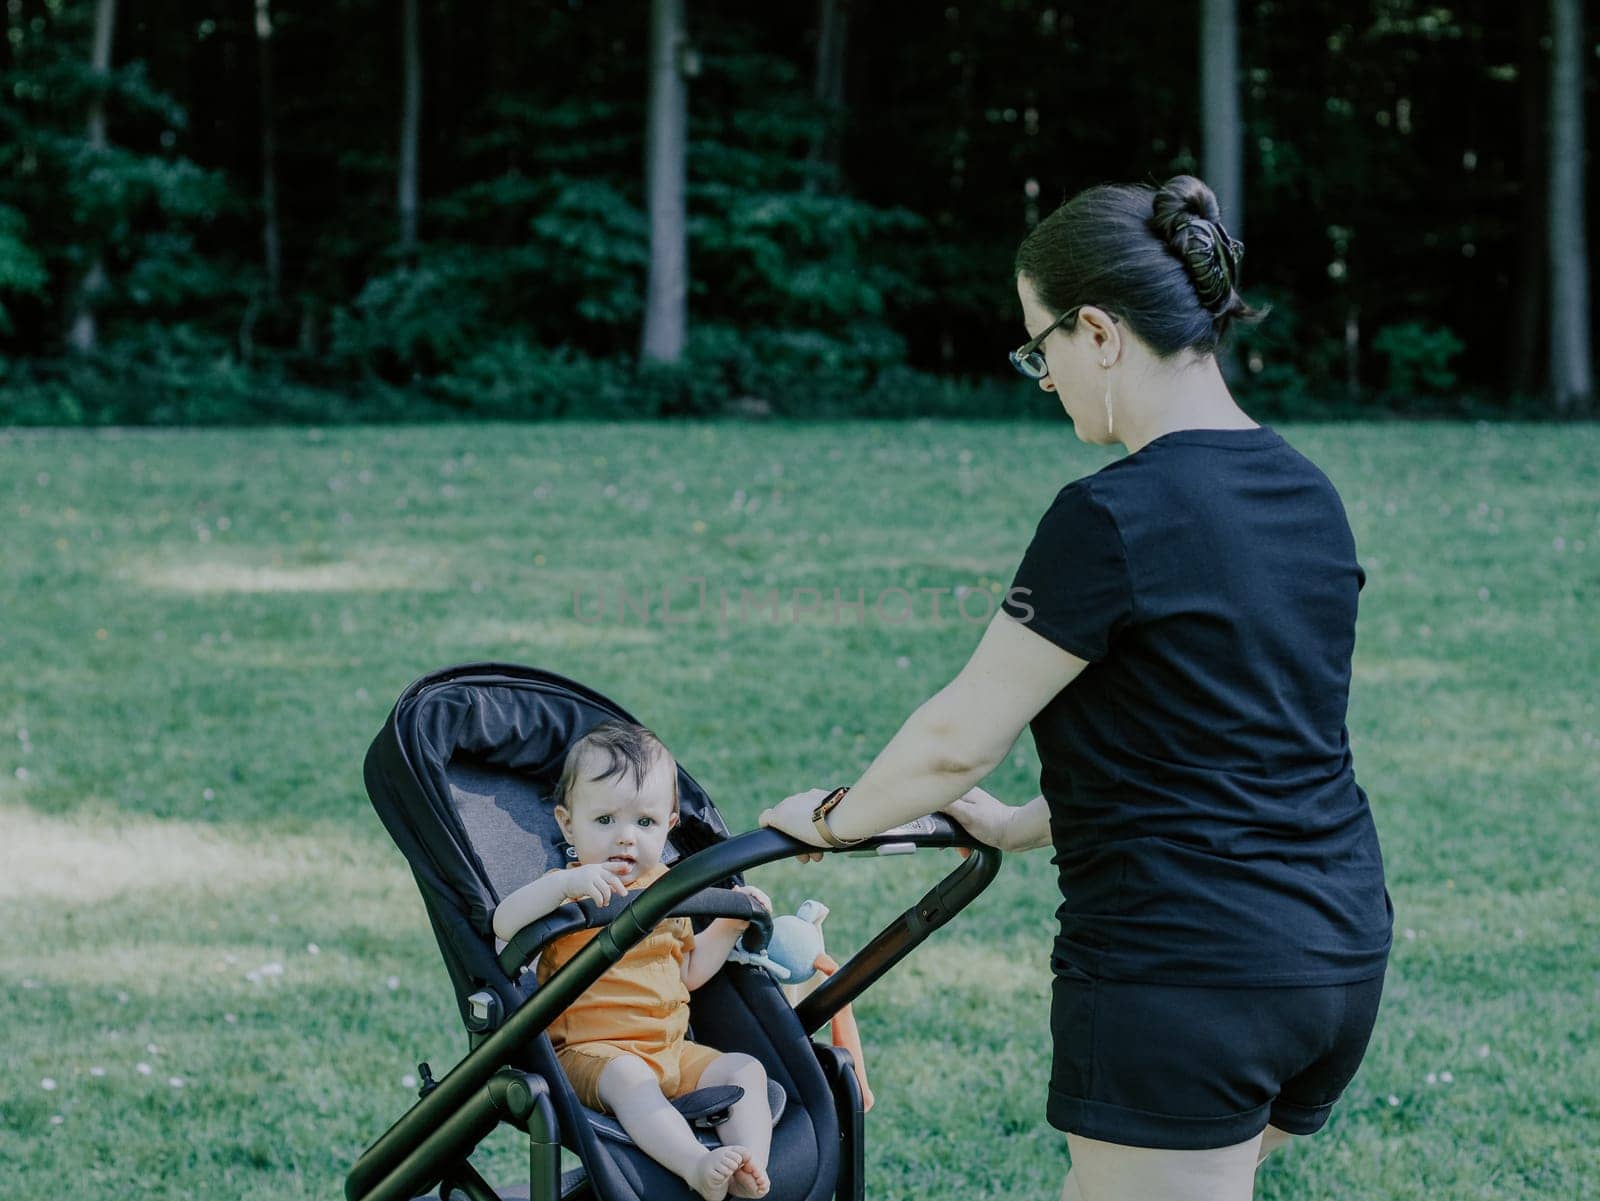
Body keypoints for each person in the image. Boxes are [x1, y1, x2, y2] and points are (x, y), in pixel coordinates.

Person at [760, 176, 1392, 1201]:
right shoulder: (1306, 493)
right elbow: (1216, 734)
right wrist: (1015, 826)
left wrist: (832, 822)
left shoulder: (1111, 515)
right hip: (1334, 958)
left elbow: (954, 741)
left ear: (1096, 330)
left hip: (1185, 970)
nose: (1042, 377)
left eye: (1039, 347)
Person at [495, 720, 773, 1201]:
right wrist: (561, 888)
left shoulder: (674, 893)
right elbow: (504, 925)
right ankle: (696, 1165)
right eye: (604, 821)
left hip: (670, 1050)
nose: (625, 838)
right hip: (593, 1057)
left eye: (643, 823)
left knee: (745, 1069)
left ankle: (749, 1166)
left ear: (669, 826)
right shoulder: (569, 889)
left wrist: (729, 925)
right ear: (567, 824)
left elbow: (688, 973)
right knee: (630, 1078)